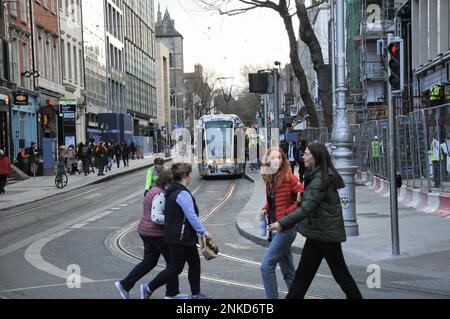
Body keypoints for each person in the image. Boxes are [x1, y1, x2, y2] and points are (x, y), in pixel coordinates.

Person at [269, 143, 363, 299]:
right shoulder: (317, 176)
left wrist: (281, 223)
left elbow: (306, 209)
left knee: (339, 274)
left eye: (306, 154)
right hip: (318, 233)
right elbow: (312, 203)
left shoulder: (319, 180)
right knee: (303, 275)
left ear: (315, 157)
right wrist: (302, 198)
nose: (303, 157)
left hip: (325, 234)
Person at [140, 163, 213, 299]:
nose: (191, 177)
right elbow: (191, 215)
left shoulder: (172, 190)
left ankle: (196, 294)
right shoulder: (182, 193)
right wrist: (203, 232)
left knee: (194, 264)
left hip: (180, 235)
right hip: (180, 237)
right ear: (185, 176)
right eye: (190, 174)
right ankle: (148, 288)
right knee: (175, 268)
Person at [115, 169, 189, 299]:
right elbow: (156, 217)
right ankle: (170, 293)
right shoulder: (160, 194)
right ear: (167, 182)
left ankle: (125, 284)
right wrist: (173, 220)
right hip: (155, 234)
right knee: (172, 264)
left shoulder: (153, 190)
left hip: (146, 231)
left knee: (149, 261)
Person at [259, 147, 304, 299]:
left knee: (266, 267)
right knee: (289, 273)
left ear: (283, 160)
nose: (276, 161)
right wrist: (265, 209)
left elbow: (301, 197)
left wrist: (287, 213)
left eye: (279, 158)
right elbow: (273, 201)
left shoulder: (289, 177)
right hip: (276, 228)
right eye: (272, 158)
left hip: (286, 228)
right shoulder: (270, 178)